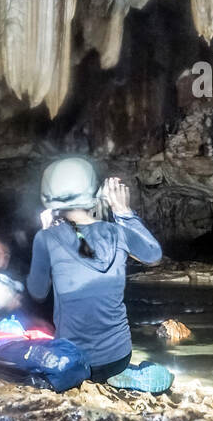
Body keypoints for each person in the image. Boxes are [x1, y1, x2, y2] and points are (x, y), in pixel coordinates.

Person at [27, 158, 170, 391]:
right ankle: (121, 376)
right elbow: (153, 255)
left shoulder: (46, 239)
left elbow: (37, 291)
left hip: (72, 361)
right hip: (117, 358)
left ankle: (83, 379)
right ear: (92, 193)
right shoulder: (117, 232)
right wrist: (122, 211)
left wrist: (45, 233)